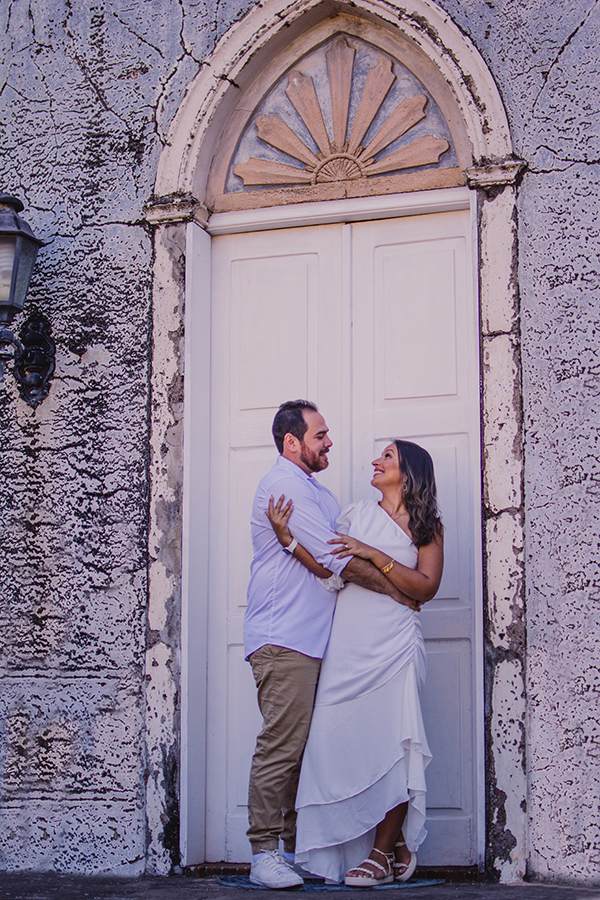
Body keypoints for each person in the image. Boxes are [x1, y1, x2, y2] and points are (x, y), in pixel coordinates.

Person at [245, 401, 418, 889]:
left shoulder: (318, 495)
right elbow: (334, 562)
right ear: (292, 442)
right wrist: (401, 591)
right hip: (285, 637)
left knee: (309, 751)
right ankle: (264, 853)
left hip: (321, 643)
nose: (330, 443)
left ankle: (303, 847)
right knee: (281, 747)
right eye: (320, 435)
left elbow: (329, 562)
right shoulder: (283, 487)